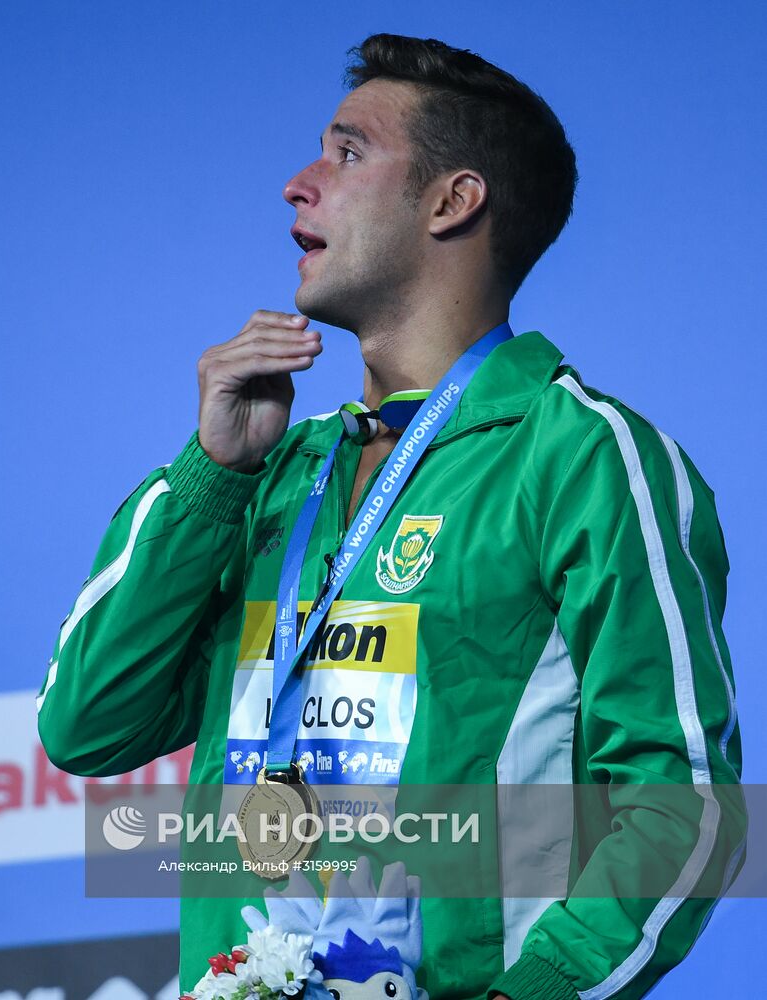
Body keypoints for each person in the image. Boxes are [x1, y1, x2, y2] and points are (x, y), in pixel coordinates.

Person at [37, 33, 744, 1000]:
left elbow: (684, 808)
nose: (297, 182)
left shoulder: (580, 455)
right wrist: (212, 477)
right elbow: (86, 725)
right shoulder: (270, 470)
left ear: (454, 201)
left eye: (347, 152)